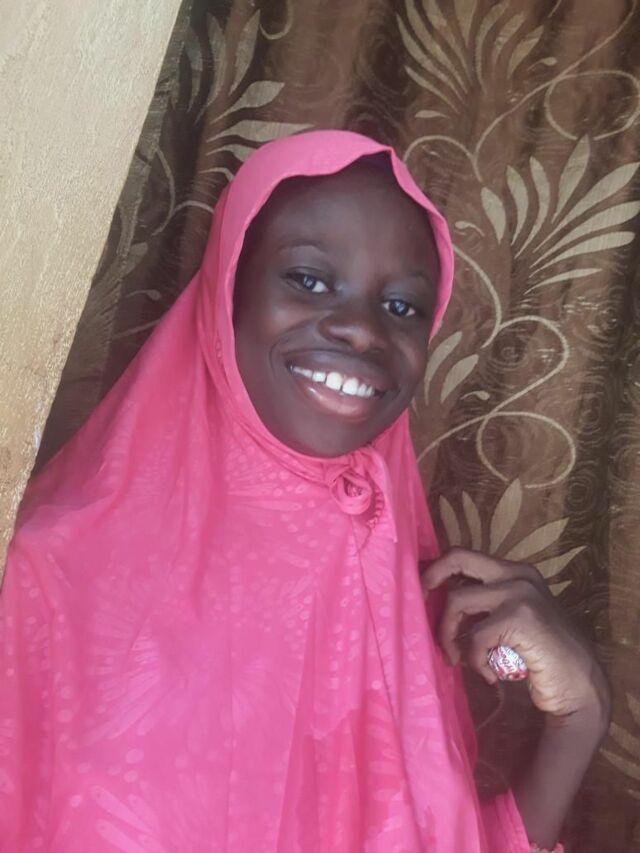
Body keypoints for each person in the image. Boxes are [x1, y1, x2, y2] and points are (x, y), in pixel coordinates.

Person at [0, 130, 610, 852]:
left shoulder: (393, 583)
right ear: (229, 291)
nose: (360, 330)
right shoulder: (49, 574)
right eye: (310, 280)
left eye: (403, 306)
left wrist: (580, 718)